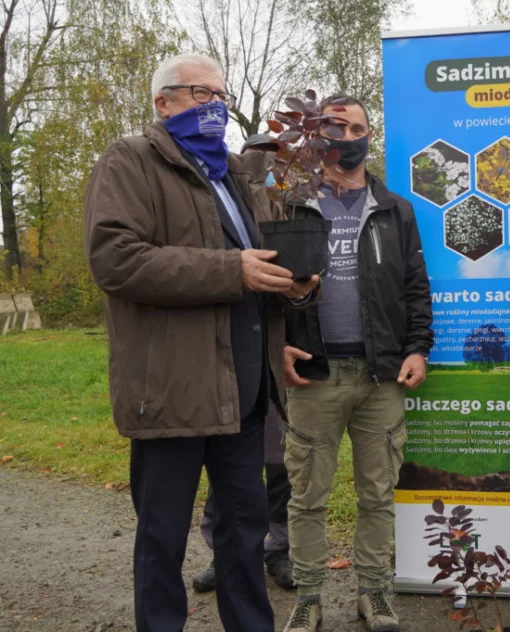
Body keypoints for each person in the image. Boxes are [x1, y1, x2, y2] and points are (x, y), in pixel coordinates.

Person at [84, 53, 319, 632]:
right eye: (199, 94)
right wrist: (229, 270)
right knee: (161, 536)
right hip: (172, 390)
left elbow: (254, 273)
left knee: (245, 534)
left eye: (222, 96)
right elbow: (115, 260)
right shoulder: (129, 162)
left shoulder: (234, 175)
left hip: (242, 392)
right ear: (162, 103)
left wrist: (288, 302)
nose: (215, 106)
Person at [280, 94, 434, 632]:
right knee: (307, 496)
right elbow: (265, 289)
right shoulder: (292, 206)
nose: (347, 138)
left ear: (371, 136)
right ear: (316, 136)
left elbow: (416, 287)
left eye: (357, 128)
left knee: (377, 494)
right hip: (315, 375)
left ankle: (375, 592)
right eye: (335, 128)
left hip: (380, 375)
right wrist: (277, 343)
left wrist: (418, 348)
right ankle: (308, 595)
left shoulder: (395, 209)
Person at [193, 133, 295, 593]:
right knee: (231, 466)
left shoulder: (299, 206)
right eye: (262, 161)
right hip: (237, 357)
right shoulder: (232, 207)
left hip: (286, 360)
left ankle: (278, 549)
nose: (271, 170)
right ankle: (226, 553)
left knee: (280, 466)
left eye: (279, 161)